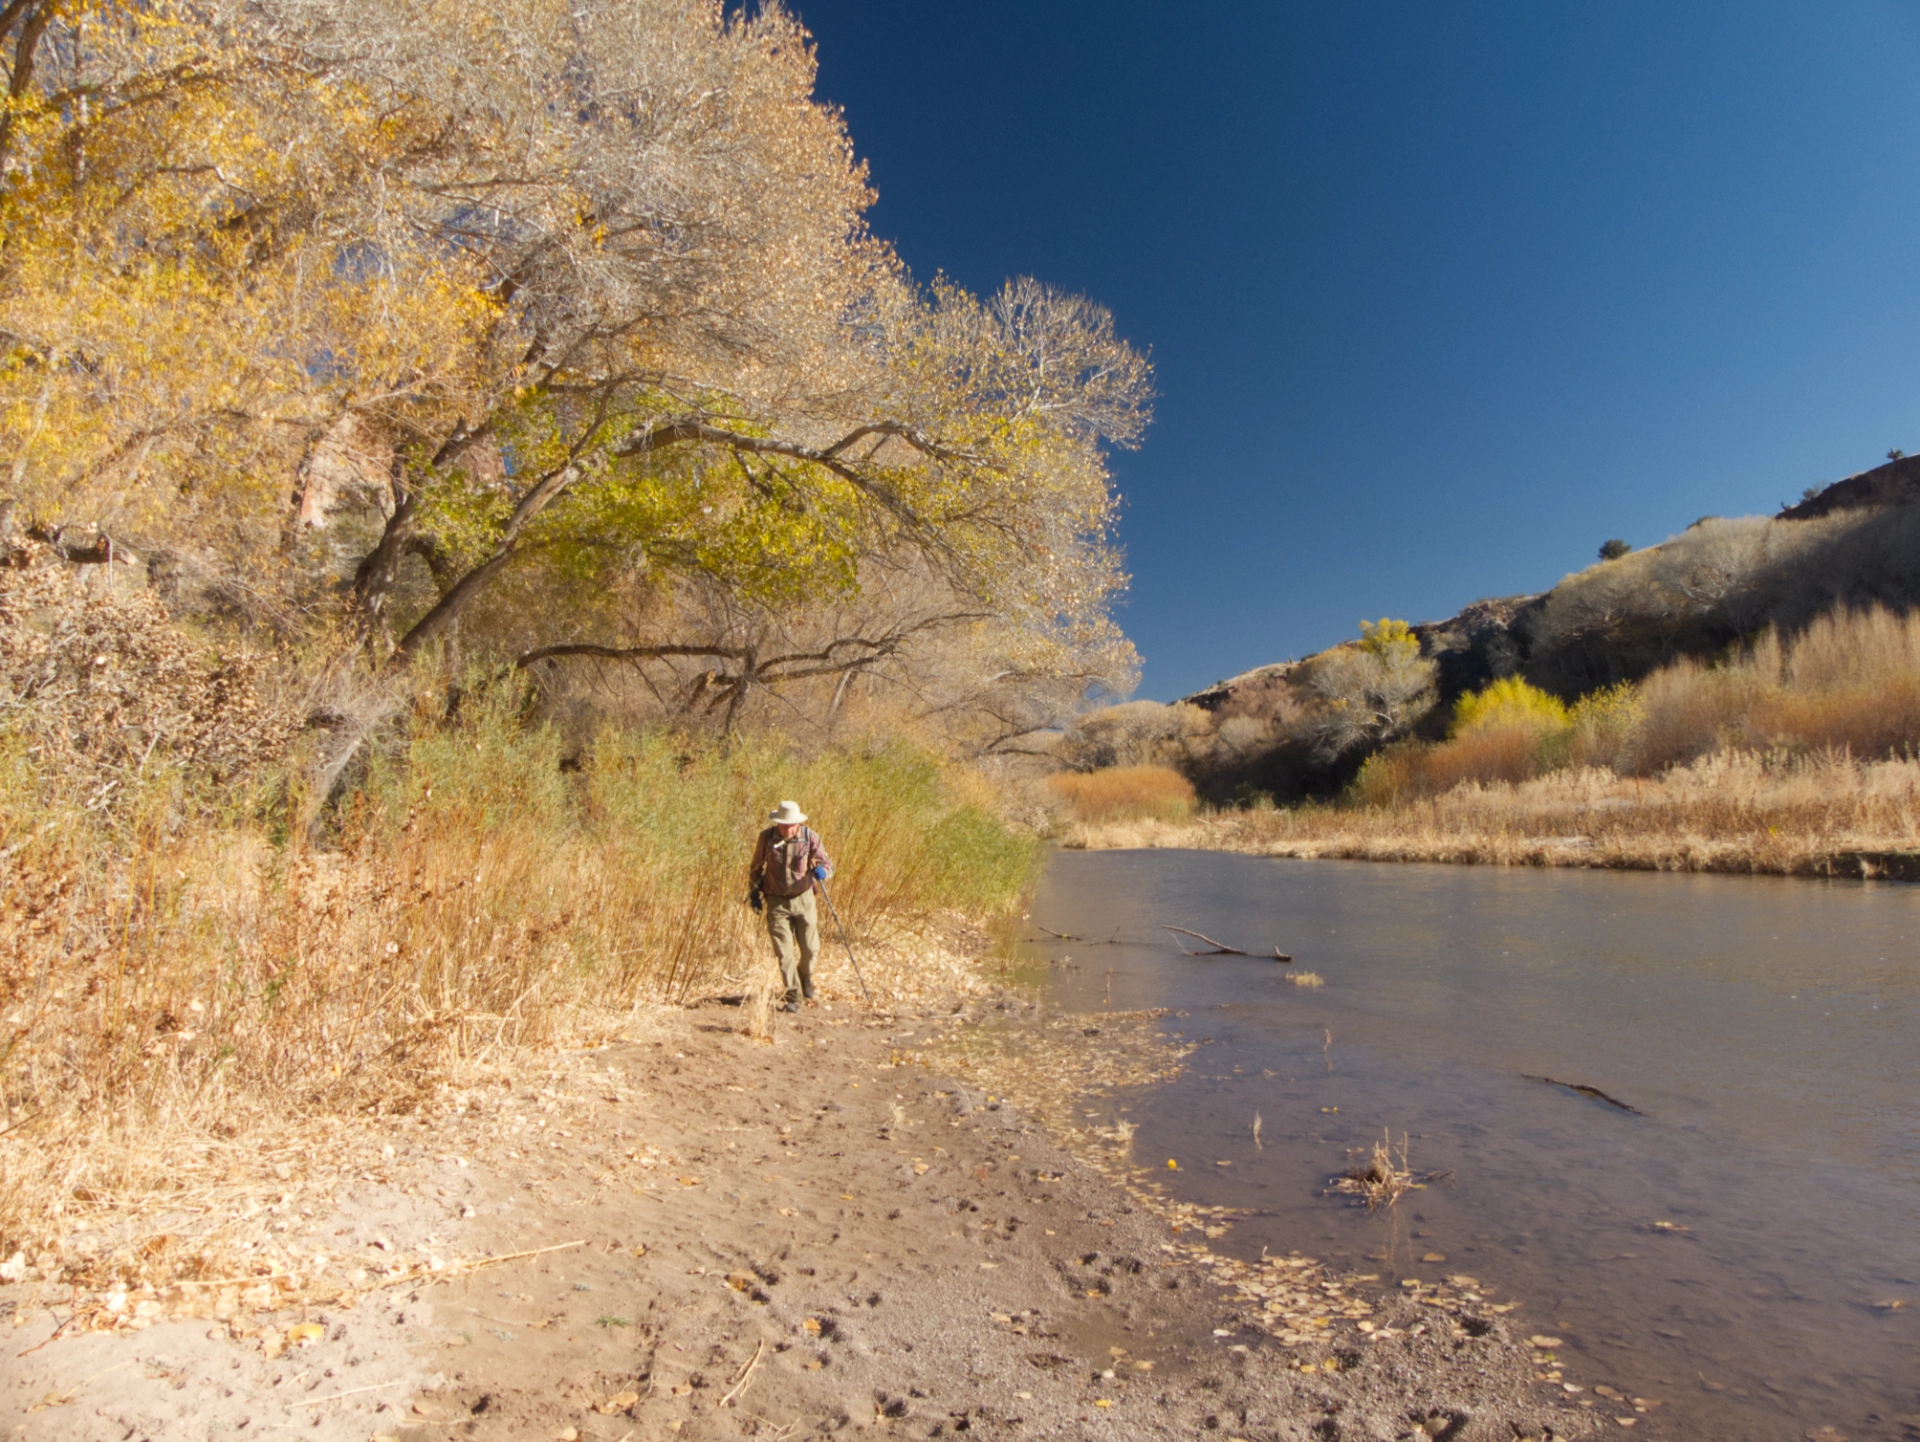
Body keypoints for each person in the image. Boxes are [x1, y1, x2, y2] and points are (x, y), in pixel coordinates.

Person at [747, 800, 835, 1012]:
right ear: (778, 822)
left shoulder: (809, 837)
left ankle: (805, 977)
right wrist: (754, 893)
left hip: (804, 900)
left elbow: (827, 864)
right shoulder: (766, 838)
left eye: (791, 825)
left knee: (811, 950)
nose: (788, 829)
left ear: (798, 822)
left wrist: (823, 872)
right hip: (776, 901)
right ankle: (793, 995)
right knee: (784, 953)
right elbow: (756, 867)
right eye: (784, 825)